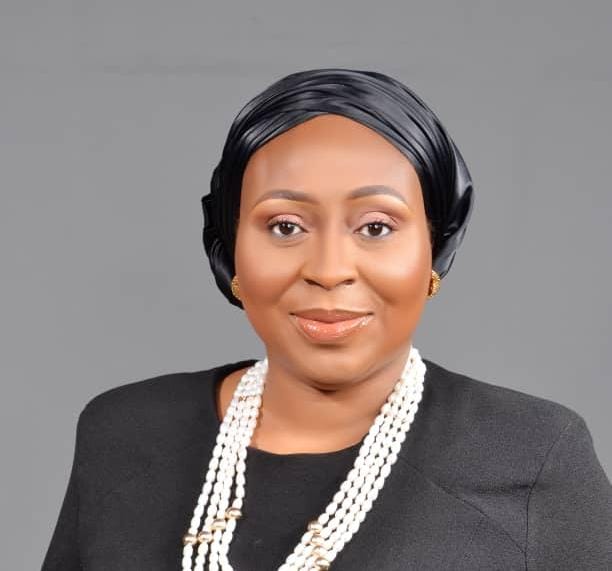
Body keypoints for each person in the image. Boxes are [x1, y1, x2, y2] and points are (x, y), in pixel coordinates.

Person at [42, 69, 612, 571]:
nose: (329, 270)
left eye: (376, 227)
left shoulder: (530, 454)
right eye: (285, 226)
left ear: (434, 252)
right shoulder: (124, 433)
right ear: (231, 251)